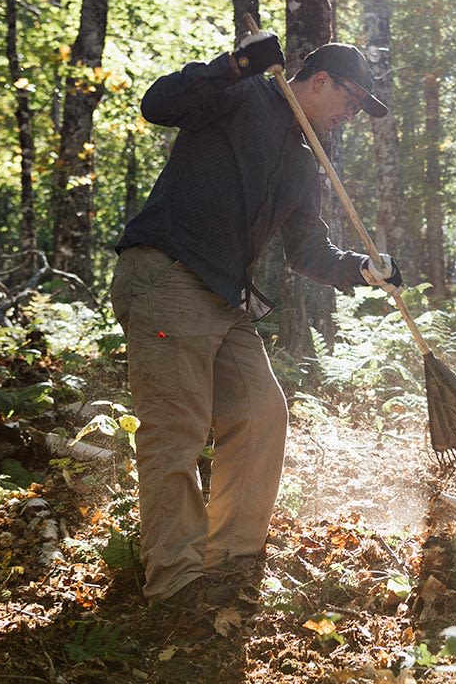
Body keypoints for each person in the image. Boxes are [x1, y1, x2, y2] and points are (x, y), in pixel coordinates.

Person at [109, 32, 403, 610]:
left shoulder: (303, 158)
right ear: (320, 82)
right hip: (167, 275)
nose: (348, 115)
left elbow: (307, 251)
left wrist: (365, 270)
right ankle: (176, 583)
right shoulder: (242, 96)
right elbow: (158, 103)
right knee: (177, 431)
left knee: (261, 411)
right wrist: (237, 63)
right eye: (349, 101)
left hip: (224, 297)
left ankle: (230, 563)